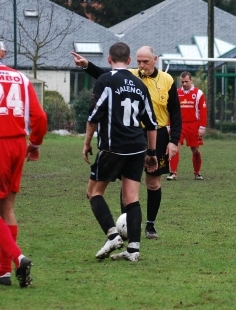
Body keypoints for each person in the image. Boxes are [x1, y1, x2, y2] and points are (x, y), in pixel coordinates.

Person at [72, 46, 182, 240]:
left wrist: (174, 141)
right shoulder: (131, 75)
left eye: (145, 62)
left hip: (158, 134)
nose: (141, 65)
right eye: (138, 61)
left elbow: (175, 111)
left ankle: (150, 225)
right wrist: (87, 65)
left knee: (154, 183)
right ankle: (127, 226)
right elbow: (104, 74)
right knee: (128, 186)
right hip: (133, 134)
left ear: (155, 59)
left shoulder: (167, 80)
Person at [83, 42, 158, 262]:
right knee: (131, 197)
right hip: (137, 147)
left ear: (109, 60)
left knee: (93, 192)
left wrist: (87, 142)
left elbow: (94, 115)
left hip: (113, 147)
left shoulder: (106, 80)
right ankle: (133, 250)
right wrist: (151, 152)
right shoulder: (139, 84)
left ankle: (113, 235)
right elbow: (151, 123)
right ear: (128, 61)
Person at [0, 40, 48, 287]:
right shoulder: (20, 78)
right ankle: (3, 272)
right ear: (4, 52)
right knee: (6, 208)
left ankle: (17, 259)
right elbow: (39, 116)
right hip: (18, 143)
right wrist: (35, 144)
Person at [167, 71, 207, 181]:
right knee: (174, 148)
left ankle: (197, 173)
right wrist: (169, 125)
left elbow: (203, 111)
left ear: (191, 80)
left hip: (193, 125)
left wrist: (202, 127)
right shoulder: (176, 93)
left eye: (186, 82)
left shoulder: (198, 93)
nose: (184, 84)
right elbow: (171, 111)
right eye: (182, 82)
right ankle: (173, 173)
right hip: (179, 125)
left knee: (195, 150)